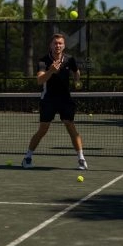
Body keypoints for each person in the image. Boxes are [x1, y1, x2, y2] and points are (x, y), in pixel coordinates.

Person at [22, 33, 88, 170]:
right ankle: (27, 157)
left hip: (65, 99)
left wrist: (77, 80)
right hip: (48, 99)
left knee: (70, 125)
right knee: (43, 129)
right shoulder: (43, 61)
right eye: (55, 43)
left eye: (60, 43)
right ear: (50, 45)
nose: (57, 45)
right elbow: (40, 80)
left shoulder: (70, 59)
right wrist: (51, 71)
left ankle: (81, 158)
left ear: (64, 46)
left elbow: (76, 72)